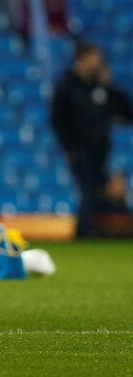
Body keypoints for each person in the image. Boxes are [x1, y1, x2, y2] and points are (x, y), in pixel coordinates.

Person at [51, 43, 133, 237]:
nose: (97, 62)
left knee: (105, 190)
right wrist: (69, 148)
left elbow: (126, 111)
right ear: (82, 58)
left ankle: (105, 231)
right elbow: (59, 121)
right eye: (94, 57)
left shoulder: (100, 86)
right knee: (88, 191)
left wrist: (109, 85)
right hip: (81, 152)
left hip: (102, 152)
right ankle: (84, 233)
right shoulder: (66, 86)